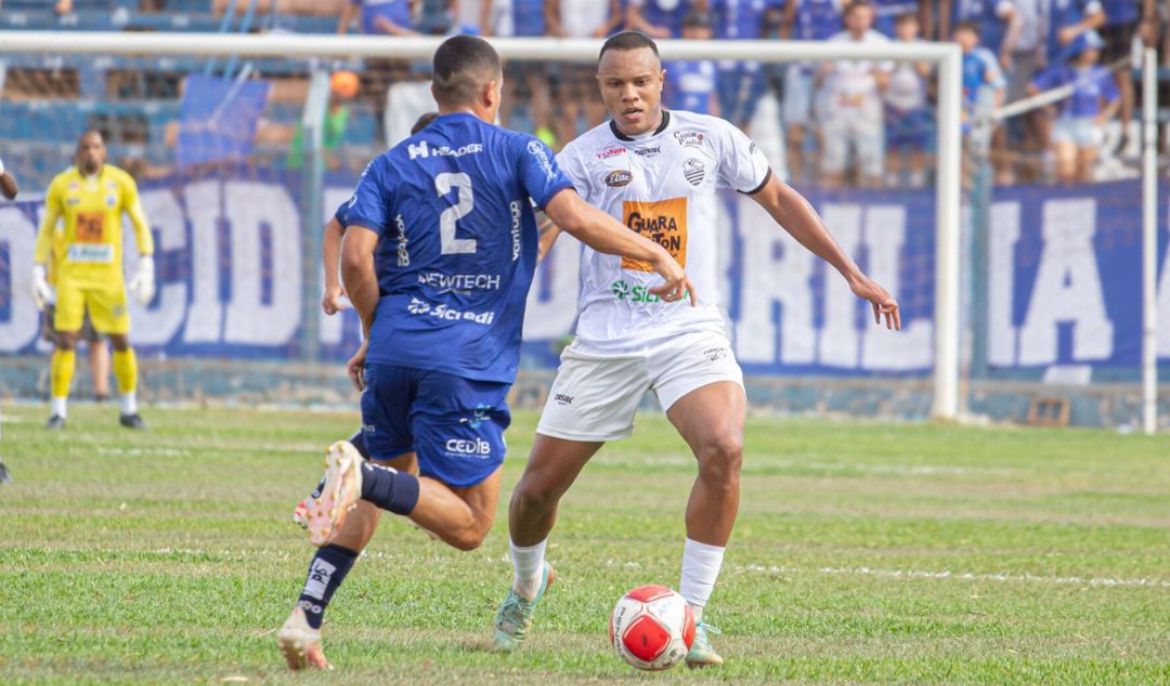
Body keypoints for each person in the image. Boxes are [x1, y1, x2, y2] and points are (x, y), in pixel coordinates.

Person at [275, 35, 692, 671]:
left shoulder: (390, 162)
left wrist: (371, 331)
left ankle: (306, 618)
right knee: (469, 524)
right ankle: (361, 473)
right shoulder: (518, 148)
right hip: (466, 358)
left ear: (435, 93)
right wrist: (654, 251)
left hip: (393, 347)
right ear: (492, 91)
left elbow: (356, 255)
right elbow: (574, 217)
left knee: (387, 462)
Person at [489, 30, 901, 667]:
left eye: (640, 81)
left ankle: (691, 615)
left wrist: (851, 271)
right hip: (605, 338)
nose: (629, 94)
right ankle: (526, 583)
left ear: (661, 81)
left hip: (688, 328)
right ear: (600, 88)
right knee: (536, 494)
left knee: (724, 448)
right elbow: (547, 232)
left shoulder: (712, 137)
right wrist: (501, 306)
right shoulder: (579, 157)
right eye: (615, 84)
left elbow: (781, 199)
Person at [32, 131, 155, 430]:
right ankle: (58, 412)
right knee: (66, 339)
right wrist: (38, 268)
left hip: (109, 278)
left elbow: (139, 223)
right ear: (77, 153)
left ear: (105, 152)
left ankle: (128, 409)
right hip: (72, 277)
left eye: (96, 147)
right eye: (85, 147)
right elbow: (47, 229)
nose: (91, 153)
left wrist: (146, 260)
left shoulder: (121, 183)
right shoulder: (62, 185)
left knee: (121, 340)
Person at [818, 0, 892, 187]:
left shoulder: (881, 43)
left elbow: (885, 82)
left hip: (867, 111)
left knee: (872, 166)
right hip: (838, 110)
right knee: (833, 164)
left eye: (864, 17)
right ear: (847, 19)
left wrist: (876, 75)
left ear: (871, 19)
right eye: (856, 17)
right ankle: (828, 208)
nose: (860, 22)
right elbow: (818, 82)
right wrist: (824, 71)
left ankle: (875, 208)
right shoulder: (833, 44)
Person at [1030, 30, 1120, 183]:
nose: (1095, 53)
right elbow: (1033, 88)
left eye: (1097, 49)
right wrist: (1048, 107)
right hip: (1065, 123)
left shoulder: (1101, 73)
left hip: (1089, 124)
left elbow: (1115, 98)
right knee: (1065, 169)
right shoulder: (1062, 71)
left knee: (1085, 171)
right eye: (1091, 49)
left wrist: (1104, 116)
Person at [781, 0, 847, 182]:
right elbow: (786, 25)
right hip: (800, 67)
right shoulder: (797, 3)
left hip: (827, 68)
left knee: (825, 129)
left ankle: (820, 179)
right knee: (795, 128)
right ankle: (797, 179)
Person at [883, 11, 932, 187]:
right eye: (902, 26)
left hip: (916, 104)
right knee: (892, 145)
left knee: (917, 144)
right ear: (896, 28)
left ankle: (917, 178)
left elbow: (925, 72)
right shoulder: (888, 46)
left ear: (916, 28)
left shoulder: (924, 47)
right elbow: (884, 75)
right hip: (892, 104)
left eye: (910, 25)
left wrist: (912, 55)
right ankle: (891, 178)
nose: (906, 30)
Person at [665, 10, 720, 116]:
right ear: (683, 30)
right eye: (691, 28)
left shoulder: (711, 63)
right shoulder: (671, 59)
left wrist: (716, 122)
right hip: (676, 120)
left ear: (709, 32)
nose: (696, 33)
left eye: (702, 28)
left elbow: (712, 98)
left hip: (704, 122)